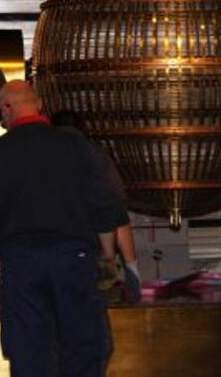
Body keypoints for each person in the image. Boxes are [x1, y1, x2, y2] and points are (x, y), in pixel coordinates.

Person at [0, 80, 128, 377]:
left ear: (6, 109)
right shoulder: (77, 146)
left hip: (21, 266)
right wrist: (107, 257)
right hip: (75, 261)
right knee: (83, 347)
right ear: (39, 104)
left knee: (30, 352)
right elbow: (104, 207)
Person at [50, 109, 141, 301]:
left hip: (56, 243)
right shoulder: (94, 151)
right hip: (94, 241)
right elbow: (115, 202)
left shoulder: (45, 153)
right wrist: (129, 266)